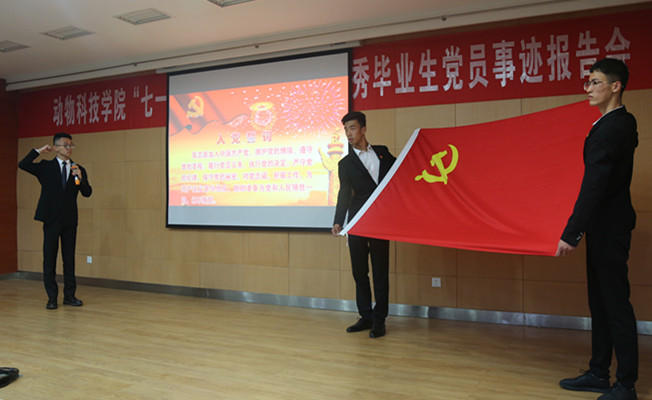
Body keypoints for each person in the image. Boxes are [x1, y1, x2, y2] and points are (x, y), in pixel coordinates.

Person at [556, 58, 638, 400]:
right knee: (601, 303)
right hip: (603, 227)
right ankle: (599, 372)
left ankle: (626, 384)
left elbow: (595, 184)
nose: (587, 88)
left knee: (615, 305)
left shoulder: (615, 126)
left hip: (610, 228)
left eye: (595, 82)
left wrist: (571, 232)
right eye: (588, 82)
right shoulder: (607, 124)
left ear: (616, 86)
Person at [332, 111, 396, 338]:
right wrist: (338, 221)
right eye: (345, 130)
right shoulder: (345, 163)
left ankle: (380, 319)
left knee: (380, 272)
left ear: (363, 129)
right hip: (357, 222)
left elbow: (401, 173)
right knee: (360, 272)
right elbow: (344, 193)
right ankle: (365, 316)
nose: (348, 133)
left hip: (380, 222)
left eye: (352, 128)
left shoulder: (383, 153)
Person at [19, 132, 92, 310]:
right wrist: (38, 151)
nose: (69, 148)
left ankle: (70, 296)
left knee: (69, 259)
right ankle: (52, 297)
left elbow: (87, 193)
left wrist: (81, 178)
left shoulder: (77, 168)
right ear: (56, 147)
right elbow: (23, 164)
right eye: (65, 145)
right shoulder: (46, 167)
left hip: (69, 220)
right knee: (49, 259)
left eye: (71, 145)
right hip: (51, 219)